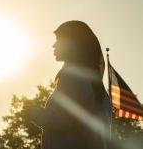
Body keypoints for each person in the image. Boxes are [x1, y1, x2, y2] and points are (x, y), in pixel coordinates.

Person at [25, 21, 112, 149]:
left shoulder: (74, 78)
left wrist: (33, 112)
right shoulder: (93, 83)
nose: (54, 45)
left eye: (59, 40)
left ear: (74, 44)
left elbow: (61, 120)